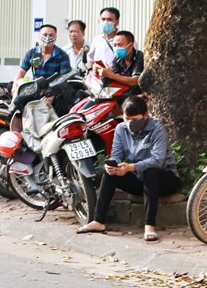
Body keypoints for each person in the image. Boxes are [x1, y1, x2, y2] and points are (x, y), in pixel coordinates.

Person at [77, 96, 180, 243]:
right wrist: (114, 165)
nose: (130, 123)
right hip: (139, 180)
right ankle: (98, 220)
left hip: (164, 179)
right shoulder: (121, 129)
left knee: (151, 172)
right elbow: (116, 155)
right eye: (127, 119)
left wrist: (132, 167)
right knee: (109, 171)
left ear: (145, 115)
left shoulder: (157, 128)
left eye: (135, 119)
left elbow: (158, 160)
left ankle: (149, 225)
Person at [11, 24, 71, 94]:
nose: (47, 37)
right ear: (39, 35)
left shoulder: (62, 56)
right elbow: (22, 71)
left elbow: (64, 78)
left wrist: (53, 93)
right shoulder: (32, 53)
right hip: (35, 90)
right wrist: (15, 86)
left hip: (54, 92)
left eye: (51, 35)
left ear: (56, 37)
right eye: (45, 35)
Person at [94, 30, 144, 95]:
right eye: (114, 45)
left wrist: (110, 74)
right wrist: (102, 70)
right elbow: (116, 76)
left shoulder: (139, 57)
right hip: (123, 93)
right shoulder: (117, 58)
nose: (116, 48)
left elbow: (135, 81)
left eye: (119, 45)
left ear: (131, 45)